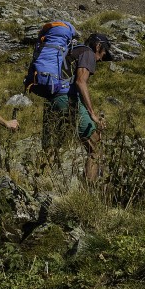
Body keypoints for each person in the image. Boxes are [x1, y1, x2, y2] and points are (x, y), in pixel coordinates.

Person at [48, 32, 112, 181]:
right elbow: (80, 81)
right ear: (98, 46)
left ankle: (45, 186)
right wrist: (92, 113)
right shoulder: (88, 53)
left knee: (51, 147)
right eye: (103, 52)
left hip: (51, 99)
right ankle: (89, 189)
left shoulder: (73, 51)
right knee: (95, 147)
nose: (102, 58)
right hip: (67, 99)